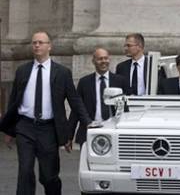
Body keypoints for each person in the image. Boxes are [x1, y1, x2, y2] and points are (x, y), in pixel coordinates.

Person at [0, 31, 92, 195]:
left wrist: (88, 122)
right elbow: (14, 100)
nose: (36, 45)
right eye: (34, 42)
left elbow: (75, 100)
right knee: (25, 170)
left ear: (49, 46)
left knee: (49, 175)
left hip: (48, 129)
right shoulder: (22, 70)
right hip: (25, 127)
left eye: (41, 42)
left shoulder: (62, 72)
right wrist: (9, 129)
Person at [67, 48, 129, 146]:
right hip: (89, 131)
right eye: (100, 59)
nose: (103, 61)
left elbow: (127, 109)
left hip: (113, 130)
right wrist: (69, 136)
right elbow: (76, 110)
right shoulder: (84, 82)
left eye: (106, 58)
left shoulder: (120, 81)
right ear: (93, 61)